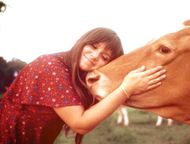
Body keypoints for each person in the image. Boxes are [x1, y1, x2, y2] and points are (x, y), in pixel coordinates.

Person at [0, 27, 166, 144]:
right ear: (82, 42)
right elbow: (80, 123)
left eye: (105, 57)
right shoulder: (51, 67)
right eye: (93, 47)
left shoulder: (74, 73)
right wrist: (126, 89)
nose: (95, 56)